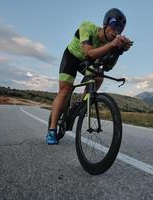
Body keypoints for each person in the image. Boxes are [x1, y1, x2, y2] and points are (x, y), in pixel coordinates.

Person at [46, 8, 132, 145]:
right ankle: (51, 129)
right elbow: (90, 53)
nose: (117, 30)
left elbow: (108, 67)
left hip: (87, 62)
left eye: (120, 29)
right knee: (65, 91)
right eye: (115, 25)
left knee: (99, 77)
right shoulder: (88, 27)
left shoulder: (108, 44)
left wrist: (118, 51)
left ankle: (82, 103)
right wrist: (112, 44)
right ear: (105, 23)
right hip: (72, 57)